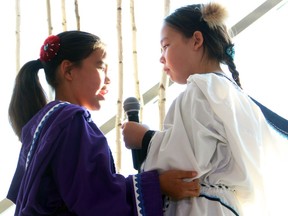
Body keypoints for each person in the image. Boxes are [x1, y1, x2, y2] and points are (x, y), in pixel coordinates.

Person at [7, 30, 201, 216]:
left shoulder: (41, 128)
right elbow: (96, 196)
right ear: (68, 70)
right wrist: (157, 185)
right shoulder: (71, 120)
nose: (108, 79)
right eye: (100, 66)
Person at [122, 2, 288, 216]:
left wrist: (144, 138)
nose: (161, 57)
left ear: (197, 40)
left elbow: (183, 164)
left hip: (201, 206)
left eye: (165, 45)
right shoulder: (233, 96)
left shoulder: (202, 89)